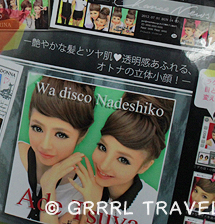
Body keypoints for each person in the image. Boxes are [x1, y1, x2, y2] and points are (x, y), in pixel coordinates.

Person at [70, 93, 173, 223]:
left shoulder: (155, 210)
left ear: (145, 166)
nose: (103, 166)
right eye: (103, 147)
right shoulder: (81, 188)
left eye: (123, 160)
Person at [6, 76, 94, 223]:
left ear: (82, 136)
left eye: (61, 135)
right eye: (37, 128)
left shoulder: (82, 190)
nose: (45, 145)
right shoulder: (8, 155)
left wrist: (48, 187)